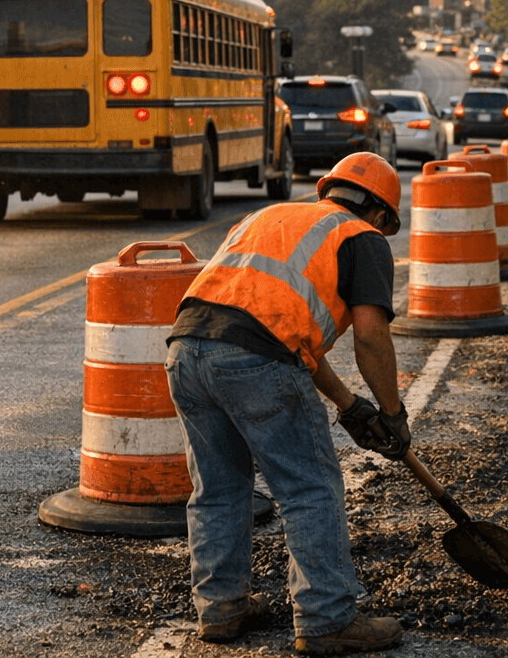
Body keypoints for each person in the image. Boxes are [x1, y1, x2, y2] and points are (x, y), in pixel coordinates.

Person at [165, 152, 411, 653]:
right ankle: (326, 619)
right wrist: (392, 412)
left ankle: (221, 609)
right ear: (382, 215)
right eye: (387, 227)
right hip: (257, 359)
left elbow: (291, 338)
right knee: (311, 489)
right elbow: (371, 337)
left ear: (330, 190)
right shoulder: (360, 237)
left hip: (187, 350)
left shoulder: (271, 216)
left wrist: (349, 407)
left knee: (218, 487)